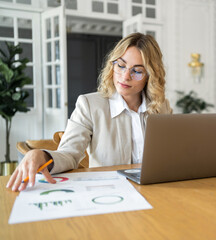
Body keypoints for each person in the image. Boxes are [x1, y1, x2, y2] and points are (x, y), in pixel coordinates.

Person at [7, 33, 172, 191]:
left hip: (156, 191)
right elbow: (69, 154)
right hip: (111, 193)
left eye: (137, 71)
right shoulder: (89, 105)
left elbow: (171, 156)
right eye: (121, 65)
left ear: (150, 75)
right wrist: (42, 155)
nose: (125, 76)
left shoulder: (161, 106)